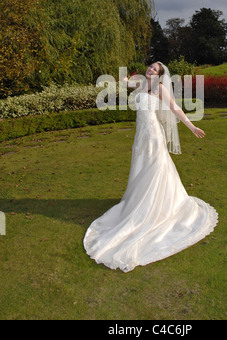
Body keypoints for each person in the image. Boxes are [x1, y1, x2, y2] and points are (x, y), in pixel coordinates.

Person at [83, 61, 218, 272]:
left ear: (160, 74)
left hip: (154, 135)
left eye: (155, 69)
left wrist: (191, 127)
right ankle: (139, 201)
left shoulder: (160, 88)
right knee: (141, 170)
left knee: (156, 170)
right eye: (150, 67)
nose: (150, 70)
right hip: (140, 137)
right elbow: (127, 82)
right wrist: (122, 79)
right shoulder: (140, 84)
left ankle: (158, 206)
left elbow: (174, 108)